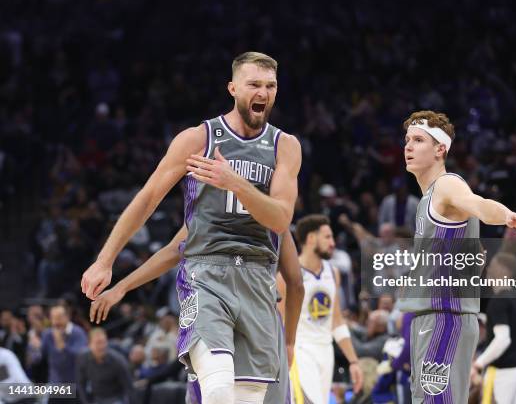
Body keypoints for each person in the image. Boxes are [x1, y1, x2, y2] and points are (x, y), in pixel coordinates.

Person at [82, 51, 302, 403]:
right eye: (254, 84)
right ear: (233, 88)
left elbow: (280, 219)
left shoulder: (285, 146)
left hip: (259, 279)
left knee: (244, 398)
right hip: (206, 273)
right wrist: (105, 260)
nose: (263, 92)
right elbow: (148, 198)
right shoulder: (199, 139)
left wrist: (235, 183)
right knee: (215, 388)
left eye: (270, 86)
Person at [397, 110, 516, 403]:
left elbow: (479, 204)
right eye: (407, 139)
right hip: (434, 318)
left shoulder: (446, 185)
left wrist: (507, 215)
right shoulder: (426, 200)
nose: (408, 146)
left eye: (418, 140)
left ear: (440, 149)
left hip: (445, 320)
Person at [90, 225, 304, 404]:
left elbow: (173, 250)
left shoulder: (209, 202)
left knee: (214, 390)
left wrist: (122, 287)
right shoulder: (277, 211)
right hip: (258, 318)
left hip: (212, 307)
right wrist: (290, 342)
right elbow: (295, 284)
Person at [277, 214, 363, 403]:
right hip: (300, 350)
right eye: (327, 237)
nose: (333, 243)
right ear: (311, 239)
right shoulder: (287, 277)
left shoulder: (333, 273)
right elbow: (278, 322)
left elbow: (336, 321)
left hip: (326, 352)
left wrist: (354, 361)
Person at [471, 253, 516, 404]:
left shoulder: (498, 301)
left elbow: (503, 340)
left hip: (505, 371)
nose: (488, 269)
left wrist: (478, 363)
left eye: (492, 266)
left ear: (503, 270)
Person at [30, 305, 88, 385]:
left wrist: (63, 347)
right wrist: (35, 348)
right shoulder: (48, 334)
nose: (56, 322)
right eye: (53, 318)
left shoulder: (78, 333)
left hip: (75, 383)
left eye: (59, 318)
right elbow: (38, 358)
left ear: (67, 317)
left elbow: (81, 358)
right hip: (55, 383)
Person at [76, 328, 132, 404]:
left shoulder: (118, 361)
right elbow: (81, 383)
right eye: (98, 343)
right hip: (96, 398)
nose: (102, 346)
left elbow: (128, 387)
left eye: (104, 342)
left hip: (116, 398)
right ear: (89, 344)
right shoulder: (83, 359)